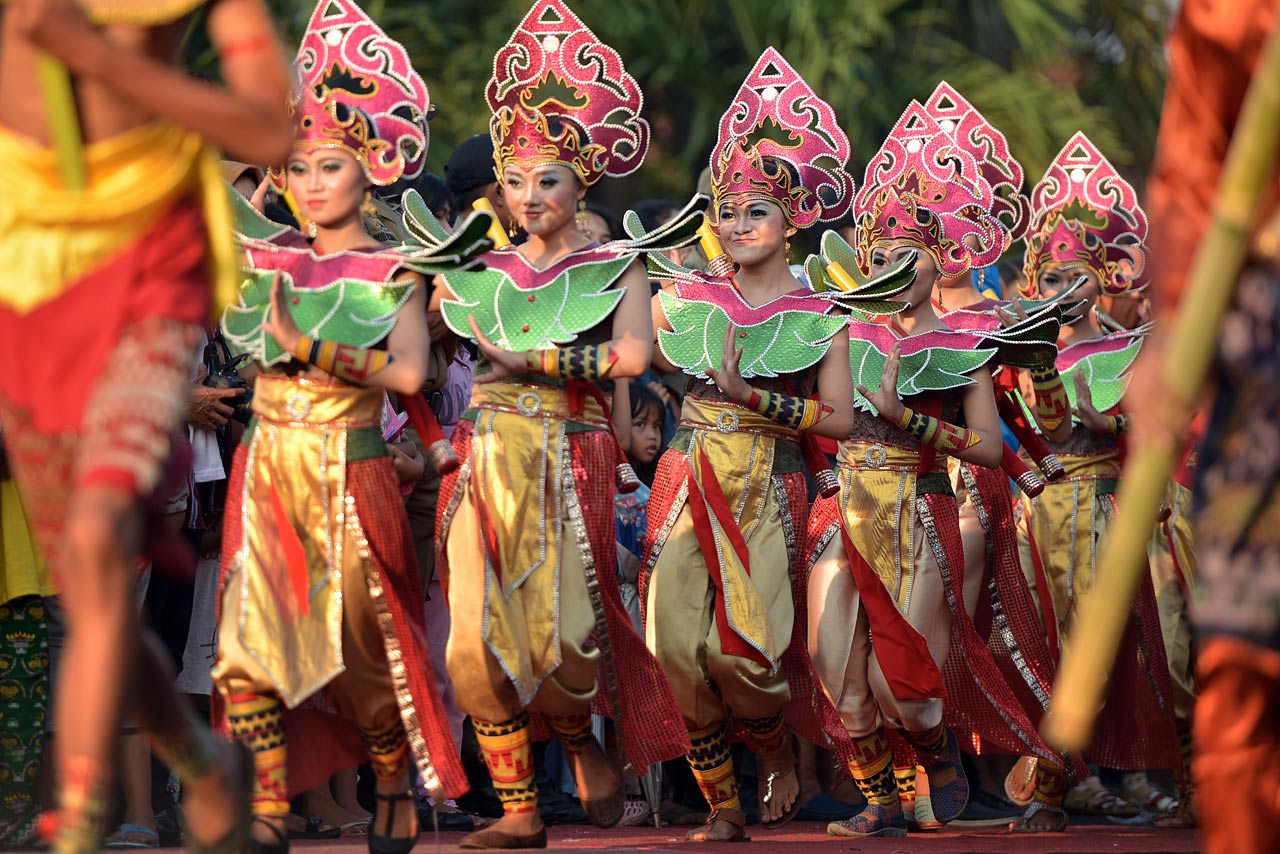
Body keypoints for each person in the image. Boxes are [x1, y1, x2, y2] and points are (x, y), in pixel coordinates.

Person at [0, 1, 292, 850]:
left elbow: (269, 131)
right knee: (90, 592)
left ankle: (80, 814)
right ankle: (200, 761)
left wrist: (90, 54)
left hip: (148, 269)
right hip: (31, 277)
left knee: (98, 543)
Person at [210, 2, 474, 851]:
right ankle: (268, 802)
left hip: (355, 469)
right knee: (248, 646)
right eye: (297, 167)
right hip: (267, 467)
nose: (312, 182)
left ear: (370, 171)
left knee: (365, 652)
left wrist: (311, 346)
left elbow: (408, 373)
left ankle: (391, 778)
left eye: (329, 166)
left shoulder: (395, 269)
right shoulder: (264, 261)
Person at [430, 1, 690, 848]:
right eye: (515, 181)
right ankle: (518, 812)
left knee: (564, 643)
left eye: (548, 180)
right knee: (471, 637)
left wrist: (530, 360)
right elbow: (421, 342)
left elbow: (631, 355)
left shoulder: (616, 265)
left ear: (582, 186)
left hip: (572, 453)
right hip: (483, 451)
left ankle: (577, 735)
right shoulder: (475, 268)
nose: (530, 196)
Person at [805, 99, 1062, 839]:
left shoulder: (962, 344)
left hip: (920, 508)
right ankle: (878, 799)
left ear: (940, 261)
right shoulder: (837, 330)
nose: (894, 269)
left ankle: (934, 748)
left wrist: (908, 417)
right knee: (835, 666)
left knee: (906, 687)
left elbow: (984, 445)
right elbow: (818, 415)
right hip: (841, 508)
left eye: (910, 256)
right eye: (881, 254)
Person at [643, 48, 859, 843]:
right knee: (673, 641)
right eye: (727, 212)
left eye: (756, 212)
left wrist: (754, 397)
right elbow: (648, 352)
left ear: (792, 220)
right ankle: (721, 805)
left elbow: (838, 419)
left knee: (749, 655)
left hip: (769, 478)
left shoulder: (822, 313)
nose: (738, 226)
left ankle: (773, 753)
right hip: (689, 466)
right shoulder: (687, 297)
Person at [1132, 0, 1279, 849]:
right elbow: (1192, 168)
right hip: (1266, 337)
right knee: (1249, 658)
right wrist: (1174, 326)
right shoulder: (1234, 10)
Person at [1012, 132, 1181, 822]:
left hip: (1101, 507)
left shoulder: (1127, 349)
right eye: (1052, 281)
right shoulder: (1019, 351)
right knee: (1039, 643)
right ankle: (1055, 783)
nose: (1064, 292)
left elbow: (1163, 427)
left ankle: (1069, 784)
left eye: (1077, 278)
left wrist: (1110, 422)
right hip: (1035, 509)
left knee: (1112, 646)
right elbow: (1040, 431)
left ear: (1103, 280)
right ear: (1035, 284)